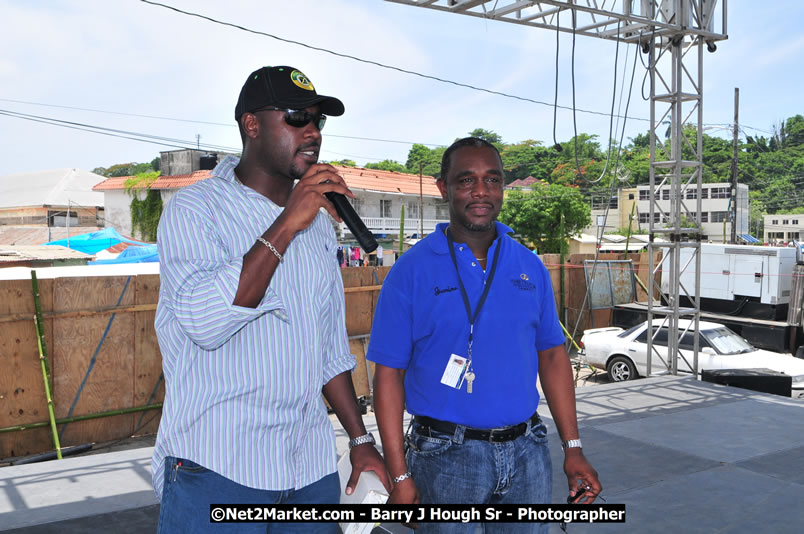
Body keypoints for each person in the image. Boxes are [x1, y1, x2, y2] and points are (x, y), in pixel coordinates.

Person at [153, 65, 391, 533]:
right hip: (218, 468)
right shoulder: (195, 209)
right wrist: (286, 224)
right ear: (252, 125)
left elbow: (327, 348)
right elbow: (205, 320)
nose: (312, 132)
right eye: (297, 117)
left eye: (318, 121)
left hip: (308, 467)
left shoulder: (320, 225)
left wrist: (360, 439)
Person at [367, 137, 601, 533]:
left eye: (492, 180)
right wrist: (400, 474)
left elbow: (553, 357)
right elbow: (387, 375)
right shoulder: (411, 270)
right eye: (466, 180)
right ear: (444, 188)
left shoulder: (528, 266)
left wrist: (573, 448)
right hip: (445, 458)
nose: (481, 191)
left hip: (528, 453)